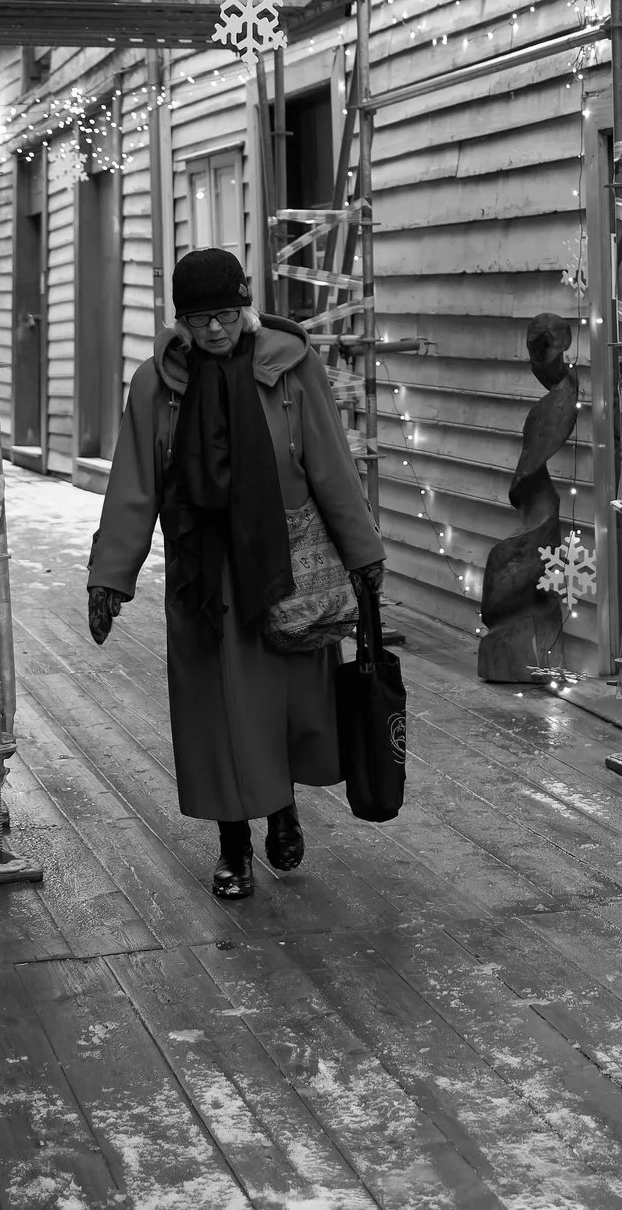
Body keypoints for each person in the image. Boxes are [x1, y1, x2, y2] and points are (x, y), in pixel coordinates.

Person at [86, 248, 385, 899]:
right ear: (180, 321)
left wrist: (364, 558)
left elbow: (330, 464)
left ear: (244, 307)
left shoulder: (291, 367)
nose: (214, 330)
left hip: (285, 567)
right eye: (198, 320)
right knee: (217, 716)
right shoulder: (157, 385)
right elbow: (136, 485)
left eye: (223, 315)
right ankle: (233, 845)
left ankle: (282, 811)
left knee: (280, 707)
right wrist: (109, 575)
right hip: (202, 576)